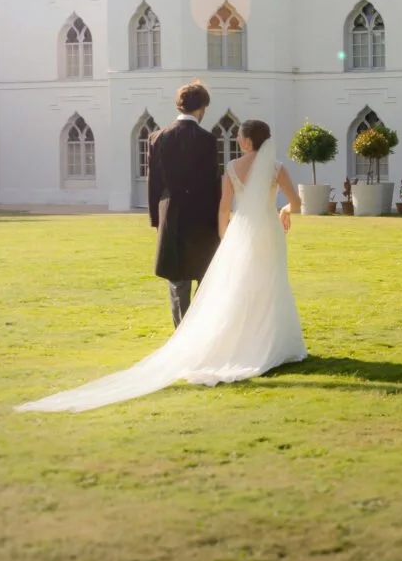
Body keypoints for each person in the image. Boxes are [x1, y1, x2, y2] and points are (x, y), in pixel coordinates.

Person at [16, 119, 306, 413]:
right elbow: (296, 202)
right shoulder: (277, 168)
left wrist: (224, 238)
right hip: (268, 230)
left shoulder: (232, 168)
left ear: (245, 141)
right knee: (270, 282)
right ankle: (269, 341)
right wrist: (283, 209)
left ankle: (241, 340)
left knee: (239, 286)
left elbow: (223, 208)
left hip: (241, 231)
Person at [147, 81, 223, 328]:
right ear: (201, 107)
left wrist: (156, 220)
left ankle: (180, 333)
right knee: (204, 276)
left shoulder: (157, 137)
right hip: (203, 216)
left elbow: (154, 184)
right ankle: (200, 333)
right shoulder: (208, 140)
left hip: (171, 214)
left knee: (177, 279)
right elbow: (214, 184)